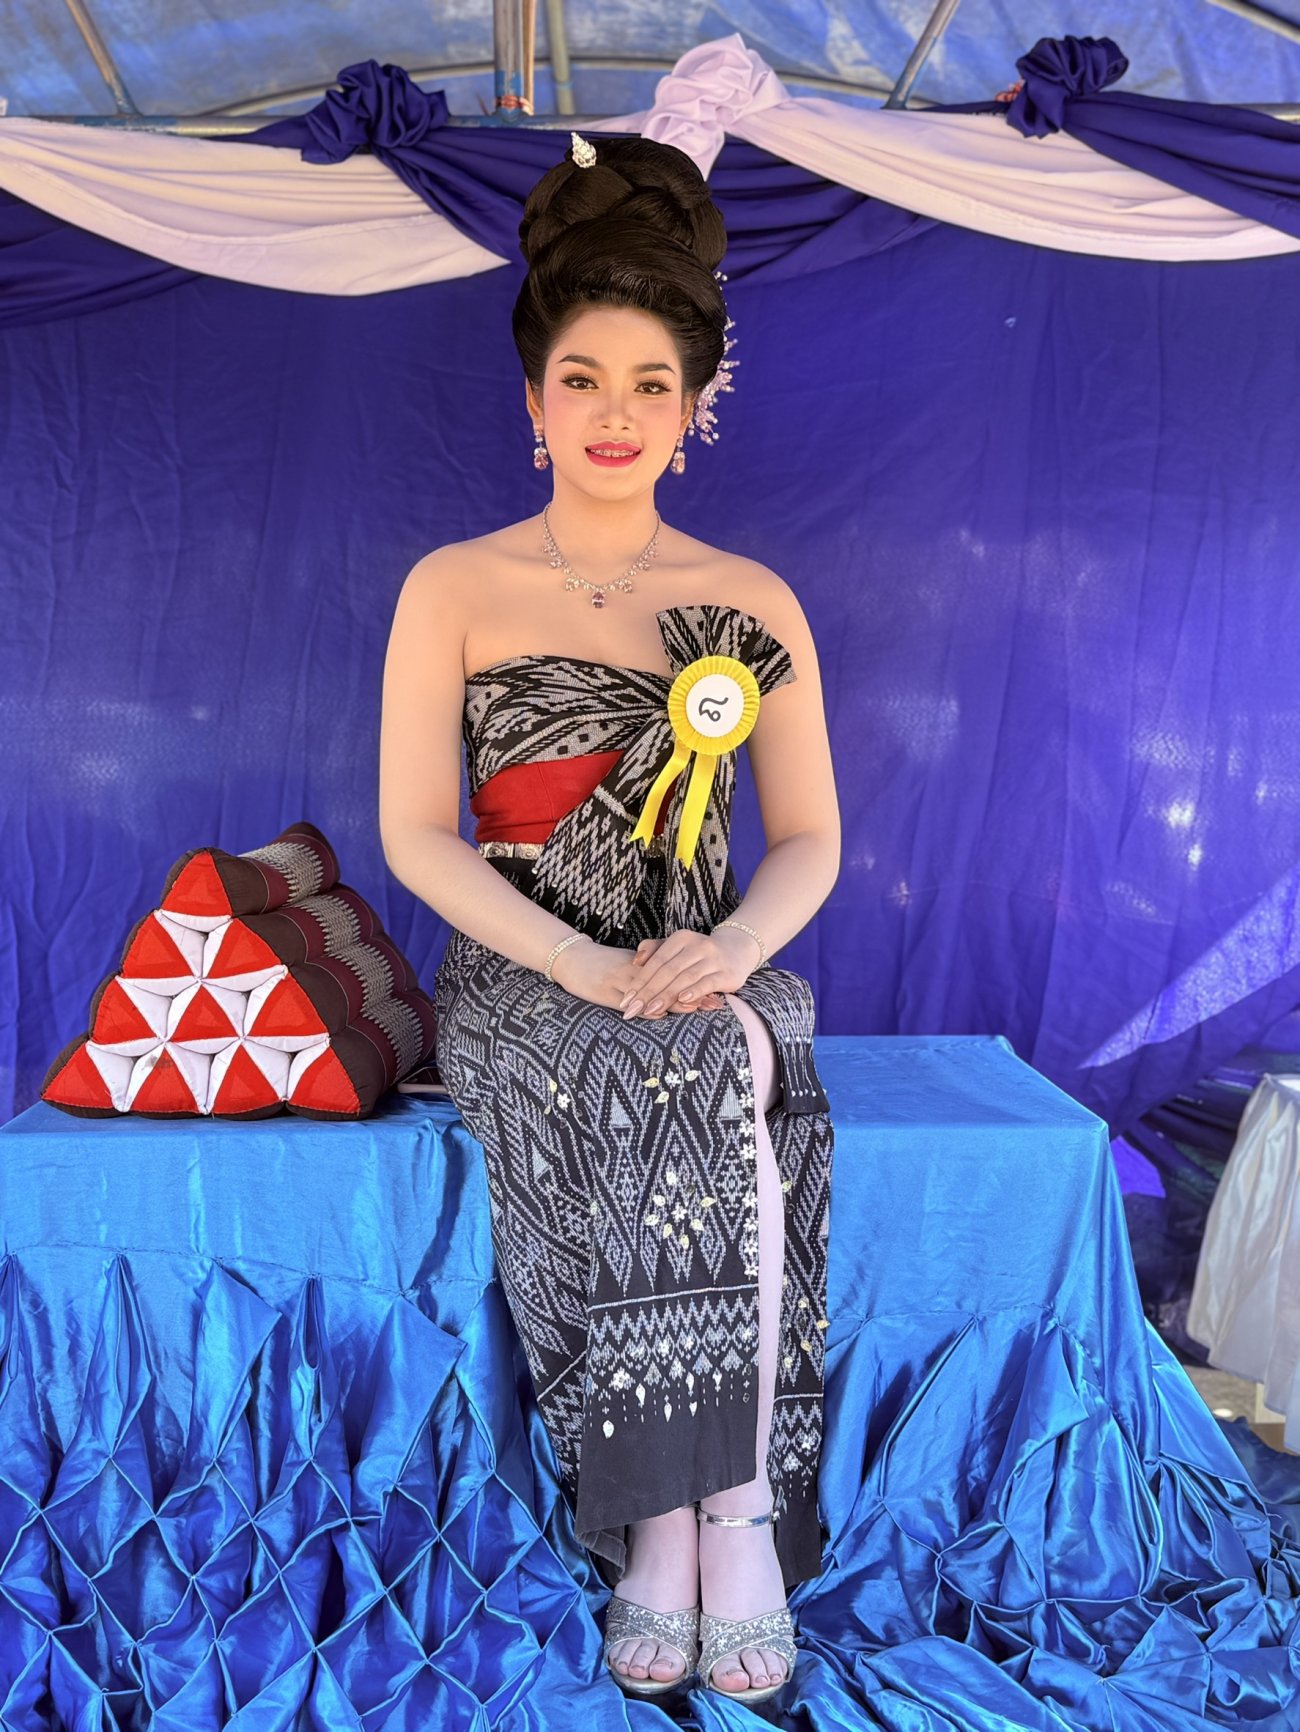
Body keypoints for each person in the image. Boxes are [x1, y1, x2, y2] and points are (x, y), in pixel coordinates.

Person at [379, 131, 840, 1704]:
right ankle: (656, 1517)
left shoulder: (751, 598)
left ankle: (738, 1514)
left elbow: (813, 840)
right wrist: (577, 959)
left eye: (653, 383)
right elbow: (414, 833)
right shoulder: (452, 585)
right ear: (533, 401)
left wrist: (735, 950)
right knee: (641, 1064)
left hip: (708, 953)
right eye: (583, 379)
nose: (616, 412)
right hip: (524, 960)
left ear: (697, 406)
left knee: (725, 1050)